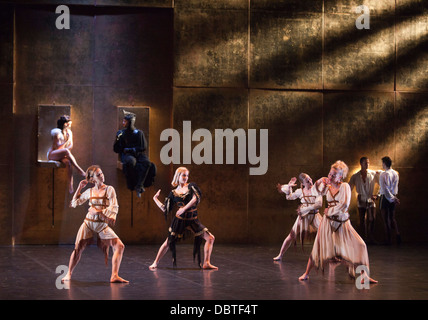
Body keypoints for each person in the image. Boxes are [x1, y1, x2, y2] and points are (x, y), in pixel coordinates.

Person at [298, 160, 377, 284]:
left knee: (361, 245)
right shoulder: (327, 187)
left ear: (341, 176)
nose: (330, 176)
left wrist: (329, 211)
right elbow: (314, 192)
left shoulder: (345, 187)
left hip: (343, 223)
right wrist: (320, 181)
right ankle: (306, 273)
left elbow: (344, 205)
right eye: (330, 174)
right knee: (317, 247)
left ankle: (364, 276)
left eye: (334, 175)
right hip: (327, 223)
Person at [62, 165, 128, 283]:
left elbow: (114, 206)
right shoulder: (89, 191)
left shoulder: (109, 189)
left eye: (101, 173)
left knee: (119, 246)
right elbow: (74, 203)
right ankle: (68, 273)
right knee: (78, 249)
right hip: (88, 223)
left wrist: (100, 212)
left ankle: (114, 275)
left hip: (101, 224)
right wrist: (79, 188)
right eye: (98, 175)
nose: (101, 176)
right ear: (92, 179)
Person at [150, 167, 217, 270]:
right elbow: (165, 209)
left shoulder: (191, 187)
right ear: (178, 176)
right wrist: (155, 199)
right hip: (180, 220)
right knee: (168, 242)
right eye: (183, 175)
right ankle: (155, 262)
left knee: (210, 238)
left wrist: (184, 208)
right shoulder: (173, 193)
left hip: (192, 219)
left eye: (187, 175)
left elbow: (195, 199)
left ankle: (206, 263)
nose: (186, 177)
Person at [273, 173, 322, 261]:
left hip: (315, 216)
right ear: (302, 183)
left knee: (326, 234)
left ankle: (332, 256)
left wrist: (308, 208)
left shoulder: (316, 190)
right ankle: (280, 255)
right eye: (307, 181)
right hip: (303, 217)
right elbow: (289, 197)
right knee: (291, 235)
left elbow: (319, 204)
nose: (310, 182)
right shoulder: (300, 191)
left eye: (310, 179)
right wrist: (289, 187)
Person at [113, 110, 153, 197]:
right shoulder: (121, 133)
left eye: (125, 121)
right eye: (123, 121)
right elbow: (116, 149)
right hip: (127, 155)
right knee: (131, 162)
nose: (123, 123)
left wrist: (131, 149)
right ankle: (133, 184)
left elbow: (143, 147)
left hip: (137, 153)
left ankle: (139, 185)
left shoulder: (139, 133)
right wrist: (117, 139)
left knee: (147, 163)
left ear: (130, 122)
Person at [47, 115, 85, 193]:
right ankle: (79, 169)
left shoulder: (69, 132)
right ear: (65, 124)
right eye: (70, 124)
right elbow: (57, 148)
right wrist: (66, 143)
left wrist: (68, 141)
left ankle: (70, 184)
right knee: (67, 152)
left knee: (68, 163)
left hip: (62, 154)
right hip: (53, 154)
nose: (70, 125)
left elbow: (71, 146)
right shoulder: (56, 132)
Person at [348, 157, 380, 243]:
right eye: (365, 163)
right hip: (361, 199)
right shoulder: (355, 176)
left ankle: (370, 236)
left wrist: (377, 195)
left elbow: (382, 184)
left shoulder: (373, 174)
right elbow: (348, 188)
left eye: (368, 163)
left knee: (372, 219)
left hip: (370, 198)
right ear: (361, 164)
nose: (367, 164)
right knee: (362, 220)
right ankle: (362, 239)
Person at [379, 156, 400, 245]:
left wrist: (391, 198)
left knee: (385, 219)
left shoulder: (383, 174)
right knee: (392, 218)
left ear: (384, 163)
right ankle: (398, 235)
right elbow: (395, 187)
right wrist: (394, 198)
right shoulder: (395, 173)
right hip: (393, 196)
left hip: (385, 197)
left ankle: (388, 240)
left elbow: (385, 189)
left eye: (382, 163)